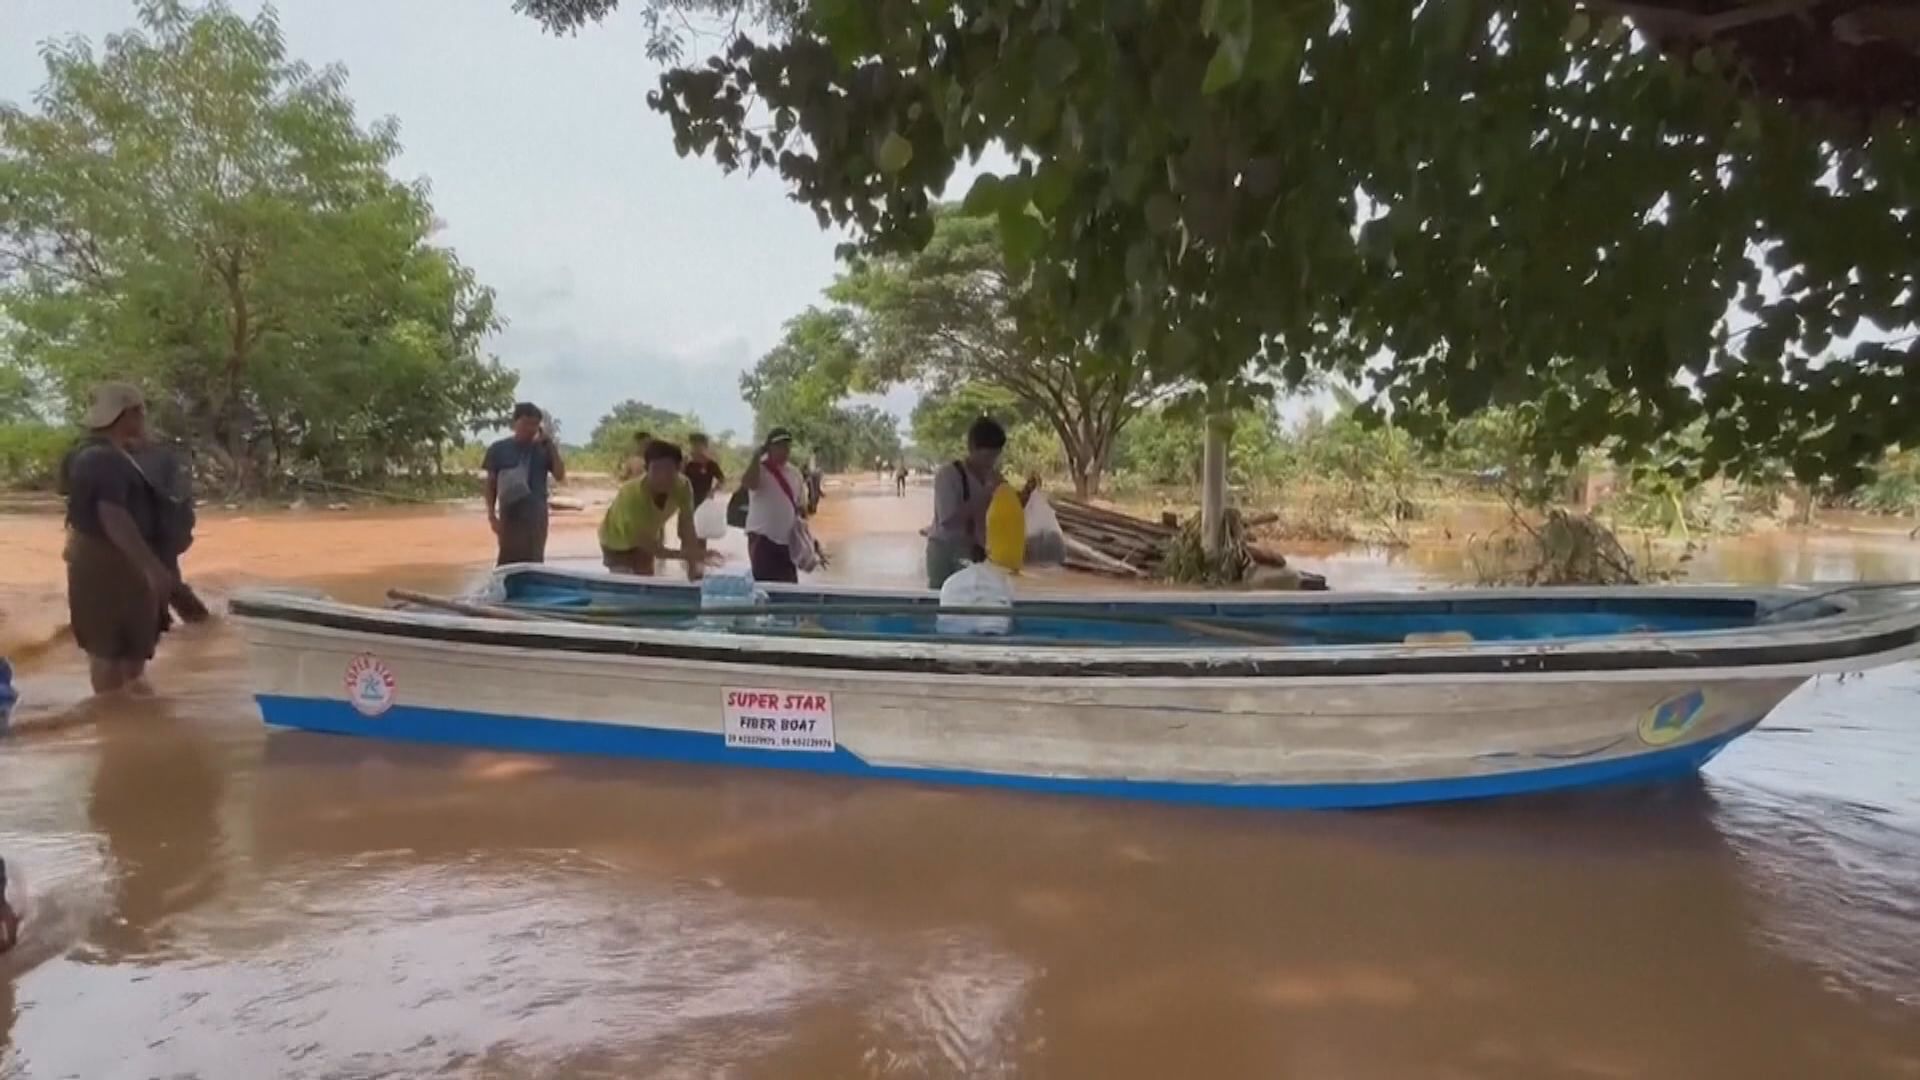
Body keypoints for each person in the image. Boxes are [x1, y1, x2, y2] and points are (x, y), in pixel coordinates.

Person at [63, 382, 174, 694]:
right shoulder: (102, 459)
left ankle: (123, 724)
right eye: (140, 412)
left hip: (116, 561)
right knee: (108, 652)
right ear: (128, 414)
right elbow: (113, 516)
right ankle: (111, 723)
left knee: (129, 651)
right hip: (107, 561)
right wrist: (151, 566)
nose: (143, 419)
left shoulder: (103, 455)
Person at [925, 416, 1039, 589]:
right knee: (945, 601)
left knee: (974, 600)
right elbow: (948, 518)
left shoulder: (994, 477)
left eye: (995, 456)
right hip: (945, 551)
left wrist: (1026, 493)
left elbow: (1009, 506)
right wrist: (984, 497)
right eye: (986, 456)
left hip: (975, 550)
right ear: (972, 448)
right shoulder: (948, 475)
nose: (990, 462)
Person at [599, 440, 708, 579]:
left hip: (647, 537)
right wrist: (686, 555)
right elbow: (647, 545)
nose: (662, 477)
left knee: (646, 580)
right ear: (646, 468)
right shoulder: (632, 494)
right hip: (615, 541)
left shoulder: (683, 486)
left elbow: (687, 527)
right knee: (627, 583)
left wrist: (694, 567)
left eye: (669, 470)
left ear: (679, 468)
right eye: (656, 470)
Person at [484, 402, 565, 566]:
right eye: (526, 423)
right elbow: (490, 485)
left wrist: (551, 446)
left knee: (534, 562)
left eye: (535, 424)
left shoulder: (543, 449)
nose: (531, 429)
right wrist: (492, 516)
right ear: (515, 424)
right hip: (510, 517)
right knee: (507, 561)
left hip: (536, 517)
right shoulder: (498, 449)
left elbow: (560, 475)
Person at [739, 427, 810, 583]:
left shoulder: (795, 473)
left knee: (790, 588)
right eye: (779, 446)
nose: (784, 450)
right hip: (762, 540)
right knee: (764, 588)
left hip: (788, 543)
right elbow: (748, 482)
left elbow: (801, 508)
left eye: (787, 446)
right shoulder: (759, 470)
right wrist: (756, 457)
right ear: (768, 448)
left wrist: (808, 538)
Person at [683, 432, 725, 504]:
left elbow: (721, 479)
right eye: (693, 445)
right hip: (687, 497)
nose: (695, 447)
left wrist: (713, 491)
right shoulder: (687, 462)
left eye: (698, 445)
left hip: (703, 498)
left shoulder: (710, 464)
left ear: (705, 446)